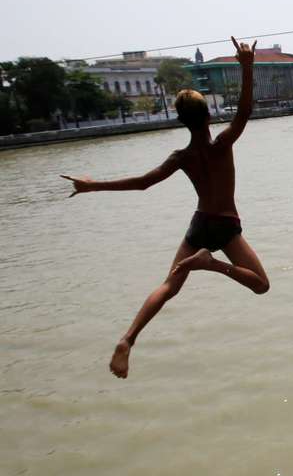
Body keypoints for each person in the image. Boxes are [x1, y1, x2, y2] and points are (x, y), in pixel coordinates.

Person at [61, 37, 269, 378]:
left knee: (170, 285)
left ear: (181, 121)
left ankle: (128, 340)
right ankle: (211, 264)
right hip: (226, 226)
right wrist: (247, 68)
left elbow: (143, 182)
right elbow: (245, 112)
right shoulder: (222, 144)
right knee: (261, 284)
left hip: (199, 224)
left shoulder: (181, 157)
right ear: (207, 115)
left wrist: (91, 185)